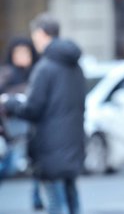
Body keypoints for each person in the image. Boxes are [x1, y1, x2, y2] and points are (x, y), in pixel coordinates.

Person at [2, 12, 86, 214]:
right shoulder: (75, 66)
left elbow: (32, 109)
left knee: (56, 205)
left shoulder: (45, 67)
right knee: (72, 201)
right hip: (73, 144)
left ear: (41, 33)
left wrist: (10, 103)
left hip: (50, 146)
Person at [0, 37, 43, 210]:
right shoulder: (6, 73)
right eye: (19, 53)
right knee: (10, 164)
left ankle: (37, 197)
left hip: (33, 127)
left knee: (38, 165)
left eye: (25, 52)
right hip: (13, 128)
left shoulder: (37, 72)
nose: (22, 56)